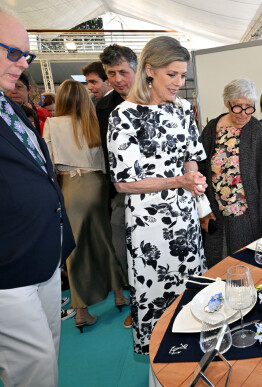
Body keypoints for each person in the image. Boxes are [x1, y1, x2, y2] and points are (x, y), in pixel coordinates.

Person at [108, 36, 208, 354]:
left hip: (185, 220)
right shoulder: (123, 116)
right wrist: (179, 180)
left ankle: (195, 358)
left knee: (191, 293)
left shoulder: (182, 110)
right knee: (158, 300)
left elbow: (192, 152)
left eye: (182, 75)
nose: (179, 82)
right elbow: (124, 183)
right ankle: (162, 366)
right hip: (148, 228)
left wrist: (192, 176)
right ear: (149, 70)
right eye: (172, 75)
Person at [0, 9, 75, 386]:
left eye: (26, 55)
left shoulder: (11, 108)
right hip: (8, 268)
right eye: (12, 52)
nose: (21, 64)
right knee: (34, 365)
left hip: (42, 255)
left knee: (49, 347)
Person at [43, 80, 127, 332]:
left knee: (76, 247)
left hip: (72, 186)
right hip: (99, 185)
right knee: (107, 239)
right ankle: (120, 294)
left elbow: (49, 162)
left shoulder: (52, 124)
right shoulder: (93, 124)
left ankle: (81, 311)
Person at [199, 78, 262, 268]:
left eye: (249, 107)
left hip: (248, 216)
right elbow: (199, 170)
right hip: (217, 215)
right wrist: (203, 211)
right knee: (218, 269)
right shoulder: (212, 129)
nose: (244, 114)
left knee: (246, 265)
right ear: (226, 103)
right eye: (238, 107)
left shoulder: (258, 131)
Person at [97, 44, 137, 329]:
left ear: (137, 69)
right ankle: (138, 303)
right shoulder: (103, 107)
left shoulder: (157, 98)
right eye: (111, 73)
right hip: (121, 194)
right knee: (123, 249)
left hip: (161, 192)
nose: (118, 78)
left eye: (123, 71)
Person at [6, 71, 51, 135]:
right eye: (9, 88)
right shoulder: (2, 114)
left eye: (18, 86)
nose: (14, 91)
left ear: (29, 90)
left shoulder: (43, 114)